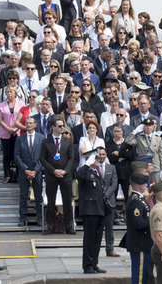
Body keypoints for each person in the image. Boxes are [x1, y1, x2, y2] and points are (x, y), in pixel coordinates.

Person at [39, 117, 76, 235]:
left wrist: (65, 171)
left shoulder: (67, 141)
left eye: (62, 126)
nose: (62, 128)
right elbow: (42, 159)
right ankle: (50, 226)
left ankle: (68, 225)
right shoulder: (46, 141)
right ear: (53, 127)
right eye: (59, 126)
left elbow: (71, 158)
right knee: (51, 202)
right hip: (52, 175)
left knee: (67, 202)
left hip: (65, 175)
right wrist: (53, 170)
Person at [76, 146, 109, 274]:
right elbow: (79, 175)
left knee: (97, 239)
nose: (98, 160)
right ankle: (87, 265)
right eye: (95, 158)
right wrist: (87, 164)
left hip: (99, 209)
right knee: (89, 239)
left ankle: (94, 263)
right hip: (90, 210)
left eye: (98, 158)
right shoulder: (86, 171)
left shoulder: (97, 172)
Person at [14, 115, 44, 228]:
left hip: (37, 171)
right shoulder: (20, 138)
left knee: (38, 196)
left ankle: (40, 218)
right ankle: (22, 218)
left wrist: (36, 170)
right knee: (23, 196)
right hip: (24, 171)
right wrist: (25, 169)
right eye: (26, 123)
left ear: (35, 125)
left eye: (30, 123)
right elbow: (17, 156)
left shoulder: (41, 138)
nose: (28, 125)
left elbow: (43, 156)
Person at [125, 172, 153, 284]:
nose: (146, 185)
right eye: (144, 183)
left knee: (144, 274)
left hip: (143, 243)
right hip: (139, 243)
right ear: (137, 185)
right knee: (140, 276)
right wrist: (152, 221)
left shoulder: (140, 199)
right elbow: (139, 223)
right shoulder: (135, 201)